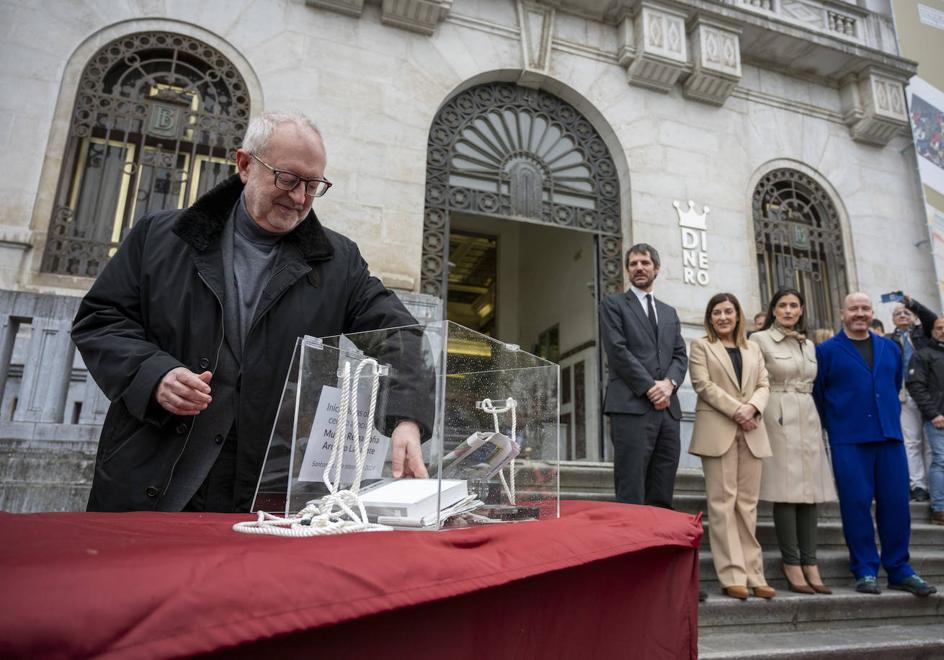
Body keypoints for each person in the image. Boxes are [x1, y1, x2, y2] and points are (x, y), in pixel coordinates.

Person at [72, 111, 429, 513]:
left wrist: (406, 419)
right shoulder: (159, 236)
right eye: (288, 179)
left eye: (313, 185)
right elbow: (100, 320)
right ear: (244, 165)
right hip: (152, 471)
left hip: (267, 489)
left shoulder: (338, 261)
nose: (299, 198)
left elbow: (401, 334)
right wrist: (154, 374)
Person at [814, 292, 937, 597]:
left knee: (897, 505)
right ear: (842, 313)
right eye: (853, 308)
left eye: (865, 308)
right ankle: (865, 569)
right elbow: (819, 394)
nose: (860, 313)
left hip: (889, 436)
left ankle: (899, 568)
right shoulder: (826, 351)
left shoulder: (890, 348)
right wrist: (836, 425)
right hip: (849, 439)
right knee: (855, 505)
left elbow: (894, 384)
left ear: (871, 313)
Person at [689, 292, 775, 600]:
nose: (723, 317)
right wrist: (739, 410)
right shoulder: (701, 346)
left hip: (752, 430)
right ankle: (732, 575)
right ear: (710, 318)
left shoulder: (753, 348)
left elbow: (765, 384)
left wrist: (752, 407)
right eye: (717, 313)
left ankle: (755, 573)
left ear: (738, 315)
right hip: (719, 430)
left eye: (728, 311)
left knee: (747, 505)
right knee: (723, 504)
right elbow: (703, 385)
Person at [750, 289, 837, 594]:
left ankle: (810, 561)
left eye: (794, 306)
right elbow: (754, 380)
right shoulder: (758, 340)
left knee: (810, 490)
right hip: (778, 412)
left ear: (801, 310)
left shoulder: (809, 344)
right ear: (773, 309)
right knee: (786, 488)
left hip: (807, 414)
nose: (788, 310)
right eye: (782, 305)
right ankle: (791, 562)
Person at [600, 243, 688, 508]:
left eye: (645, 263)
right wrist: (651, 388)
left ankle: (659, 548)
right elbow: (617, 351)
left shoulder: (669, 312)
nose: (639, 267)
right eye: (634, 263)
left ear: (656, 268)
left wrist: (669, 384)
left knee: (662, 487)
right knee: (632, 488)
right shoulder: (613, 304)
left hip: (667, 412)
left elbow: (680, 355)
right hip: (631, 407)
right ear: (627, 270)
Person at [890, 297, 938, 502]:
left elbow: (932, 318)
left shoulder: (923, 334)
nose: (902, 315)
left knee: (930, 442)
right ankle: (918, 485)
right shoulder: (888, 340)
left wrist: (912, 303)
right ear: (892, 320)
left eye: (906, 312)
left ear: (914, 317)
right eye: (898, 313)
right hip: (903, 395)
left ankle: (933, 483)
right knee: (911, 442)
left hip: (928, 394)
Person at [905, 316, 944, 526]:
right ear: (932, 331)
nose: (943, 331)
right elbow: (916, 386)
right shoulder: (922, 355)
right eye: (939, 328)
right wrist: (934, 414)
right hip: (939, 418)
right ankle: (939, 508)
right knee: (941, 461)